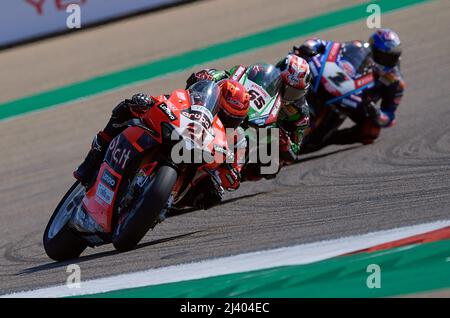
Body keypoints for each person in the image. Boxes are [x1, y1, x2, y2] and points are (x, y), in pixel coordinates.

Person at [73, 79, 250, 210]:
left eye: (232, 120)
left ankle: (160, 204)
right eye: (223, 113)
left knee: (212, 193)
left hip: (200, 163)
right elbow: (170, 100)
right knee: (127, 108)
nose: (226, 120)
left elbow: (234, 180)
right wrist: (148, 101)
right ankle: (92, 161)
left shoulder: (236, 138)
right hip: (183, 134)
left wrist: (230, 169)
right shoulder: (195, 100)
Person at [185, 54, 311, 166]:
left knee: (269, 161)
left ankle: (236, 167)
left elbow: (294, 152)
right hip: (248, 117)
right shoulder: (261, 74)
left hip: (266, 138)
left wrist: (285, 141)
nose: (286, 94)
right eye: (283, 86)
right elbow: (232, 76)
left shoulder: (300, 113)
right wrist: (212, 75)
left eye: (293, 92)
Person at [293, 28, 405, 145]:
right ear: (373, 48)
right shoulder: (359, 47)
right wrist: (310, 47)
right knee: (297, 62)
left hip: (361, 105)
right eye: (381, 55)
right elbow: (330, 47)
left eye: (390, 57)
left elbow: (389, 117)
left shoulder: (395, 82)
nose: (385, 60)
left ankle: (330, 139)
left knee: (371, 131)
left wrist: (376, 113)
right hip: (341, 87)